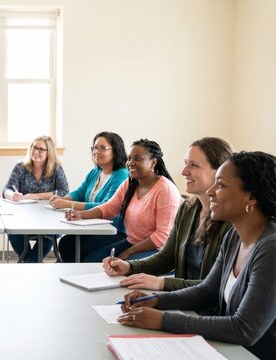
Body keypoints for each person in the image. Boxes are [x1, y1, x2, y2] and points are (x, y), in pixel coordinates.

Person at [118, 151, 276, 360]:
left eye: (220, 184)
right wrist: (155, 300)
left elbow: (244, 329)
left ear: (251, 196)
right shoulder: (234, 236)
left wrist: (163, 320)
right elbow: (207, 291)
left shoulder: (271, 248)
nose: (210, 192)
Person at [103, 137, 233, 292]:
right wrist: (129, 267)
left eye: (194, 165)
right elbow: (166, 258)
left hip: (202, 309)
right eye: (186, 163)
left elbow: (214, 287)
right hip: (183, 299)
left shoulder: (232, 221)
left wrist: (162, 284)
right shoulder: (188, 208)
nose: (184, 171)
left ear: (220, 172)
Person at [64, 139, 182, 262]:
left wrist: (128, 252)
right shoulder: (130, 184)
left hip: (158, 250)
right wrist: (81, 215)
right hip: (132, 243)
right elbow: (109, 208)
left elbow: (162, 237)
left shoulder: (165, 190)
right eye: (129, 158)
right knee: (92, 260)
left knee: (107, 266)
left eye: (137, 158)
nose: (130, 163)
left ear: (153, 163)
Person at [51, 131, 129, 262]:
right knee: (66, 243)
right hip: (92, 225)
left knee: (84, 249)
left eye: (102, 148)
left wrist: (68, 205)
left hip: (113, 229)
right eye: (95, 147)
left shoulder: (121, 175)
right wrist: (62, 199)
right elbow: (79, 193)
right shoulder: (96, 171)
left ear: (116, 151)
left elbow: (106, 206)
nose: (96, 151)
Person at [3, 136, 69, 262]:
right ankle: (30, 262)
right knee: (12, 231)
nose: (36, 152)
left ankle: (28, 263)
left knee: (49, 233)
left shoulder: (56, 168)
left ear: (49, 152)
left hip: (48, 215)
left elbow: (64, 192)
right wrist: (12, 195)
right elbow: (6, 189)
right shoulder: (21, 166)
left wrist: (35, 195)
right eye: (34, 147)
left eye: (41, 149)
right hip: (23, 215)